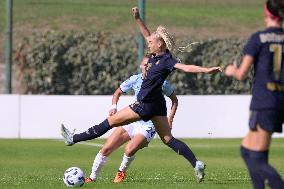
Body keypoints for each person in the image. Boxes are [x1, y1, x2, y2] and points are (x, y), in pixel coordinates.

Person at [61, 6, 222, 183]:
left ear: (160, 44)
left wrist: (207, 70)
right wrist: (137, 18)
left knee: (108, 123)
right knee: (168, 139)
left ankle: (73, 138)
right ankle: (196, 163)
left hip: (144, 105)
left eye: (151, 42)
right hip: (158, 106)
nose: (148, 43)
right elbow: (146, 33)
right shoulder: (155, 54)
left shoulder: (167, 60)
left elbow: (186, 68)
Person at [84, 55, 181, 184]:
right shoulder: (135, 79)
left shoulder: (162, 82)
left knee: (129, 149)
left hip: (149, 124)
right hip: (133, 120)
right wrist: (114, 106)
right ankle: (92, 178)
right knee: (106, 148)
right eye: (144, 64)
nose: (146, 67)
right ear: (141, 66)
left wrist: (170, 119)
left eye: (149, 65)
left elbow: (174, 100)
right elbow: (117, 92)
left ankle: (121, 173)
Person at [225, 0, 284, 188]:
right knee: (247, 150)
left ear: (266, 13)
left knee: (256, 159)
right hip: (278, 100)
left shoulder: (258, 38)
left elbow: (241, 73)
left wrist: (230, 71)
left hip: (264, 100)